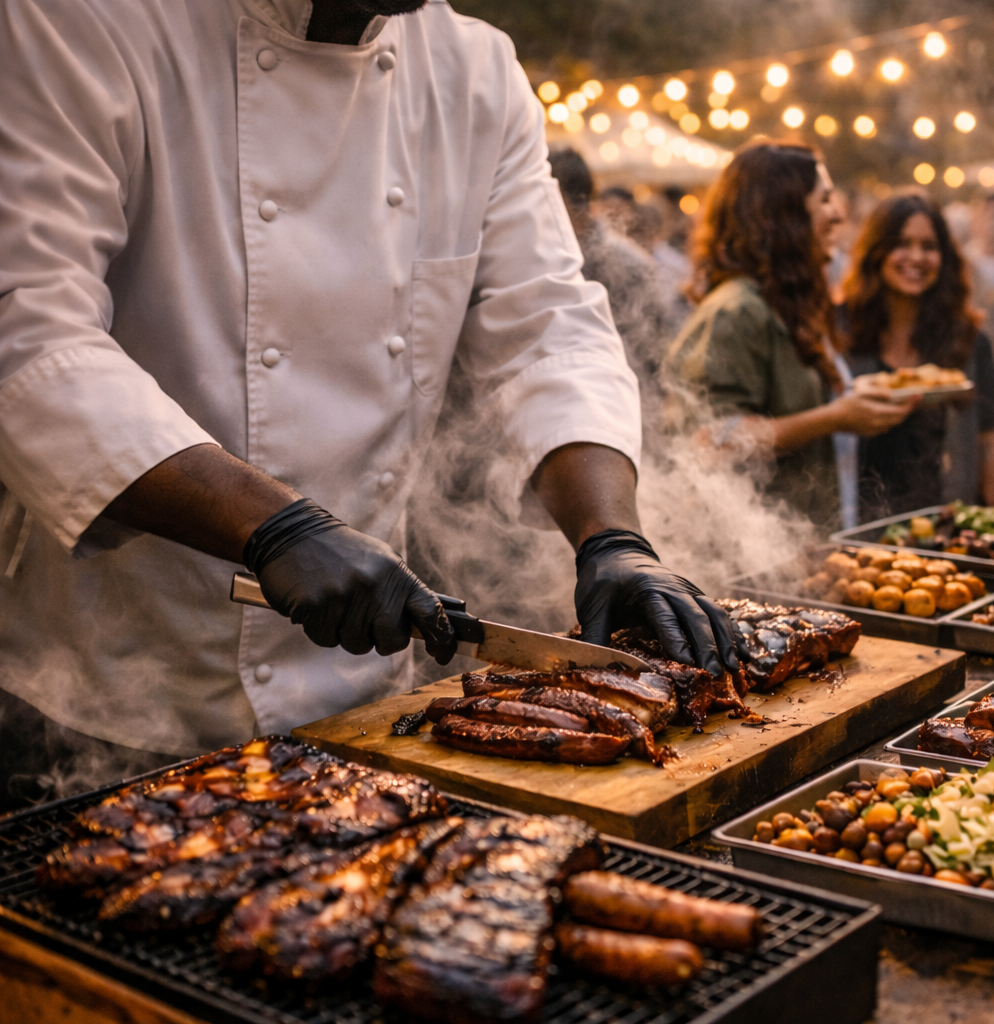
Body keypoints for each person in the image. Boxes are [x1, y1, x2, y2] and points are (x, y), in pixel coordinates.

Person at [0, 0, 736, 809]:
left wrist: (612, 536)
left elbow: (548, 328)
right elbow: (29, 330)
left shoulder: (475, 69)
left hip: (368, 697)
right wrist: (276, 525)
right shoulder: (79, 19)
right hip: (116, 684)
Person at [662, 141, 914, 531]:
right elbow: (711, 440)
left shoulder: (787, 303)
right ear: (782, 213)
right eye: (825, 199)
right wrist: (834, 418)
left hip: (805, 549)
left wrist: (851, 404)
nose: (838, 214)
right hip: (754, 566)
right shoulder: (736, 311)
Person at [842, 191, 994, 520]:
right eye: (901, 243)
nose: (916, 257)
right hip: (857, 523)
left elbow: (992, 437)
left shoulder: (968, 340)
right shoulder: (839, 332)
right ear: (876, 251)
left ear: (944, 257)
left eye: (929, 247)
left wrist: (988, 522)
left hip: (945, 522)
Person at [549, 148, 684, 432]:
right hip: (564, 418)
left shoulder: (628, 265)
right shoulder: (545, 257)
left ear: (563, 200)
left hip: (626, 419)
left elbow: (659, 351)